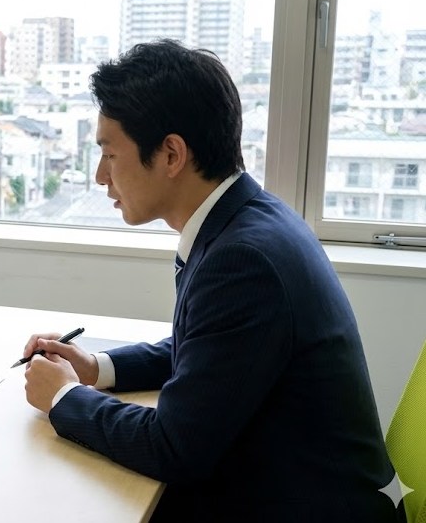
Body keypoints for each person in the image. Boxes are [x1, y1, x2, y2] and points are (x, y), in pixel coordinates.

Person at [21, 40, 394, 522]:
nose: (99, 176)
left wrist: (64, 397)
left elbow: (173, 448)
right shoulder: (248, 219)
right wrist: (95, 367)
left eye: (110, 154)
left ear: (171, 154)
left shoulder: (243, 260)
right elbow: (205, 349)